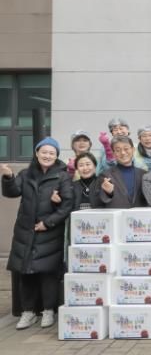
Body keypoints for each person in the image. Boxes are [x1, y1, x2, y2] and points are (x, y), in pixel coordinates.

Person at [1, 137, 74, 330]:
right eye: (44, 152)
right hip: (25, 232)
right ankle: (28, 312)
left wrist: (47, 223)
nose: (47, 156)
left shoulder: (62, 176)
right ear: (36, 153)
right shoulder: (26, 174)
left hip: (49, 232)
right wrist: (8, 177)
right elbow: (12, 192)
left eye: (52, 153)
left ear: (57, 156)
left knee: (48, 274)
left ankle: (48, 310)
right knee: (26, 273)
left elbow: (67, 205)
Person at [93, 135, 147, 208]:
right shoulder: (105, 175)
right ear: (113, 153)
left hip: (139, 215)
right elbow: (97, 202)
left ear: (133, 150)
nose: (123, 153)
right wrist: (108, 193)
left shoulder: (144, 174)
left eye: (126, 149)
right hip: (116, 214)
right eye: (118, 150)